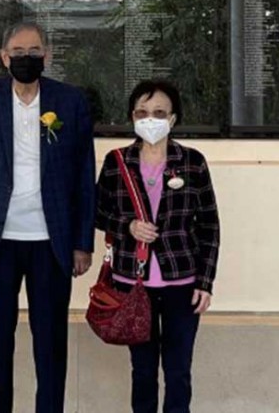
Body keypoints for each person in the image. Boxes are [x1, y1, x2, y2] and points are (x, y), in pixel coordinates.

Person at [0, 22, 96, 413]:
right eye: (18, 51)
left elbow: (85, 177)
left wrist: (83, 243)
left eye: (34, 51)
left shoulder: (70, 102)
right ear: (4, 57)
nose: (26, 58)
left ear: (47, 56)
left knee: (50, 344)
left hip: (52, 241)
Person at [94, 80, 220, 413]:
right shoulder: (116, 161)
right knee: (143, 371)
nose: (151, 119)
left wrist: (205, 283)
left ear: (173, 119)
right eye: (143, 112)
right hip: (133, 285)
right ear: (132, 117)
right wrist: (128, 226)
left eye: (159, 113)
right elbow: (97, 212)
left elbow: (208, 225)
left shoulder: (192, 162)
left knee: (178, 372)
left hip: (182, 283)